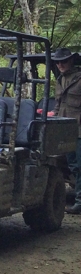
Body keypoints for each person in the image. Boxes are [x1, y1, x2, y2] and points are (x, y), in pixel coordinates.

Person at [52, 48, 81, 214]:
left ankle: (79, 201)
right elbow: (58, 104)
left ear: (71, 61)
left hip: (78, 130)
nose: (60, 64)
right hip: (65, 130)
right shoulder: (60, 80)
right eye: (58, 62)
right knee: (73, 166)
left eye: (63, 61)